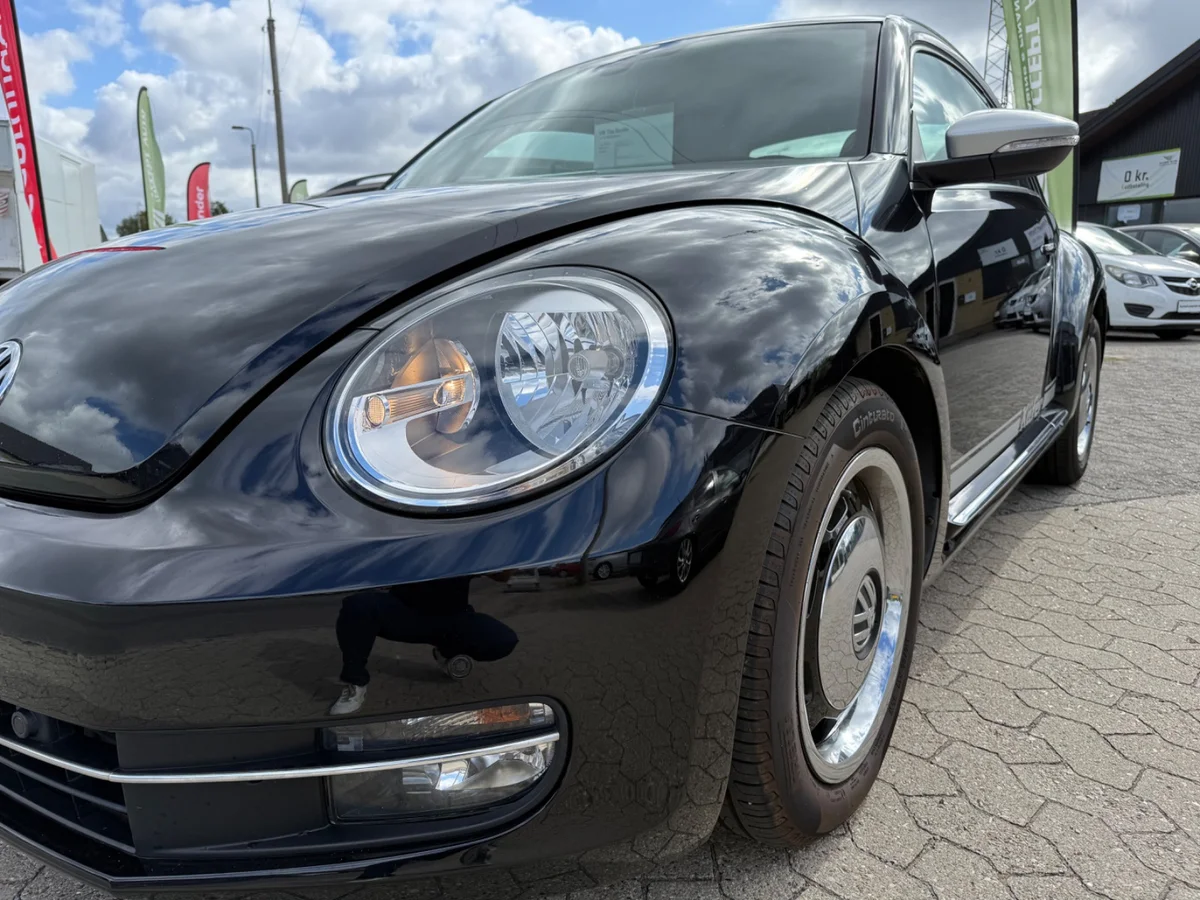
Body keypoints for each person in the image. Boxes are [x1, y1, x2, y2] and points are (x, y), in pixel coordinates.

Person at [329, 576, 519, 715]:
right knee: (357, 606)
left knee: (503, 640)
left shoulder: (463, 541)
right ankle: (355, 683)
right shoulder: (407, 536)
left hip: (452, 618)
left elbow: (503, 575)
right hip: (404, 613)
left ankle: (447, 651)